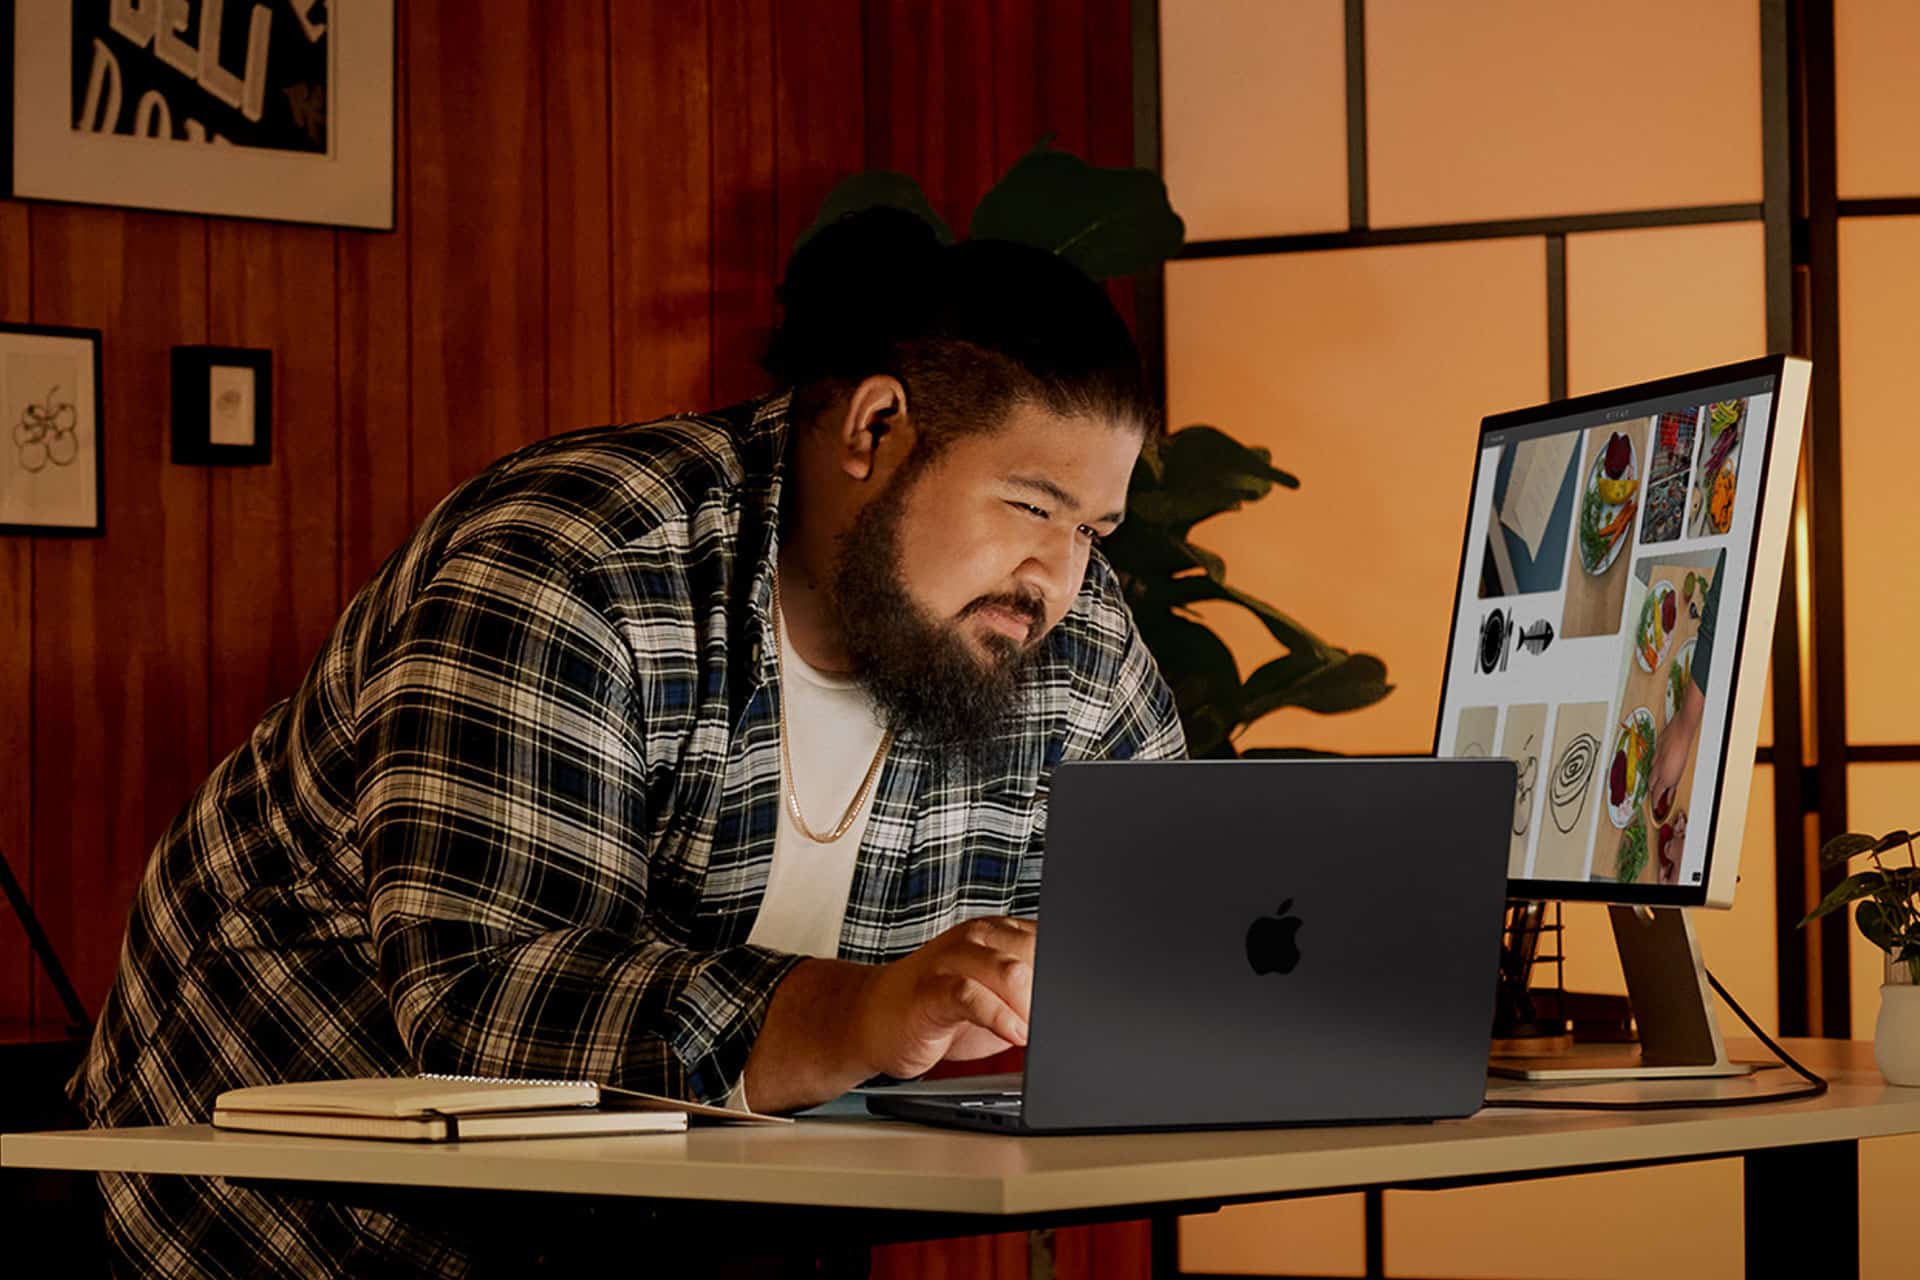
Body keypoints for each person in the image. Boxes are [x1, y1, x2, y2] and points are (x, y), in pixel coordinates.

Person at [66, 205, 1185, 1275]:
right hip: (278, 1214)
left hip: (684, 1222)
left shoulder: (1061, 635)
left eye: (1093, 529)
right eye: (1032, 507)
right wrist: (867, 1009)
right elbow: (482, 1006)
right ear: (875, 428)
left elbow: (1157, 932)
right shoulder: (576, 562)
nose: (1060, 576)